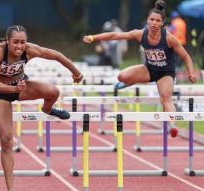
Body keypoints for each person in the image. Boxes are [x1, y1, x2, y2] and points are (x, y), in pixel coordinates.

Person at [0, 25, 83, 191]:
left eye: (22, 42)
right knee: (5, 140)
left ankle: (48, 109)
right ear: (7, 41)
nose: (19, 47)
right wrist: (12, 90)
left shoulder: (30, 50)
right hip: (1, 93)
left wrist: (76, 72)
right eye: (15, 42)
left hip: (21, 86)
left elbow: (56, 55)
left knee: (53, 92)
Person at [83, 0, 196, 138]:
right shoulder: (140, 34)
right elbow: (115, 36)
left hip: (165, 74)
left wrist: (191, 73)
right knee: (122, 77)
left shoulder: (169, 38)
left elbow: (185, 56)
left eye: (157, 20)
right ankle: (131, 81)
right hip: (149, 70)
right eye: (152, 20)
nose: (154, 23)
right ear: (147, 21)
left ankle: (172, 125)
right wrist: (93, 37)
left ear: (162, 23)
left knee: (166, 98)